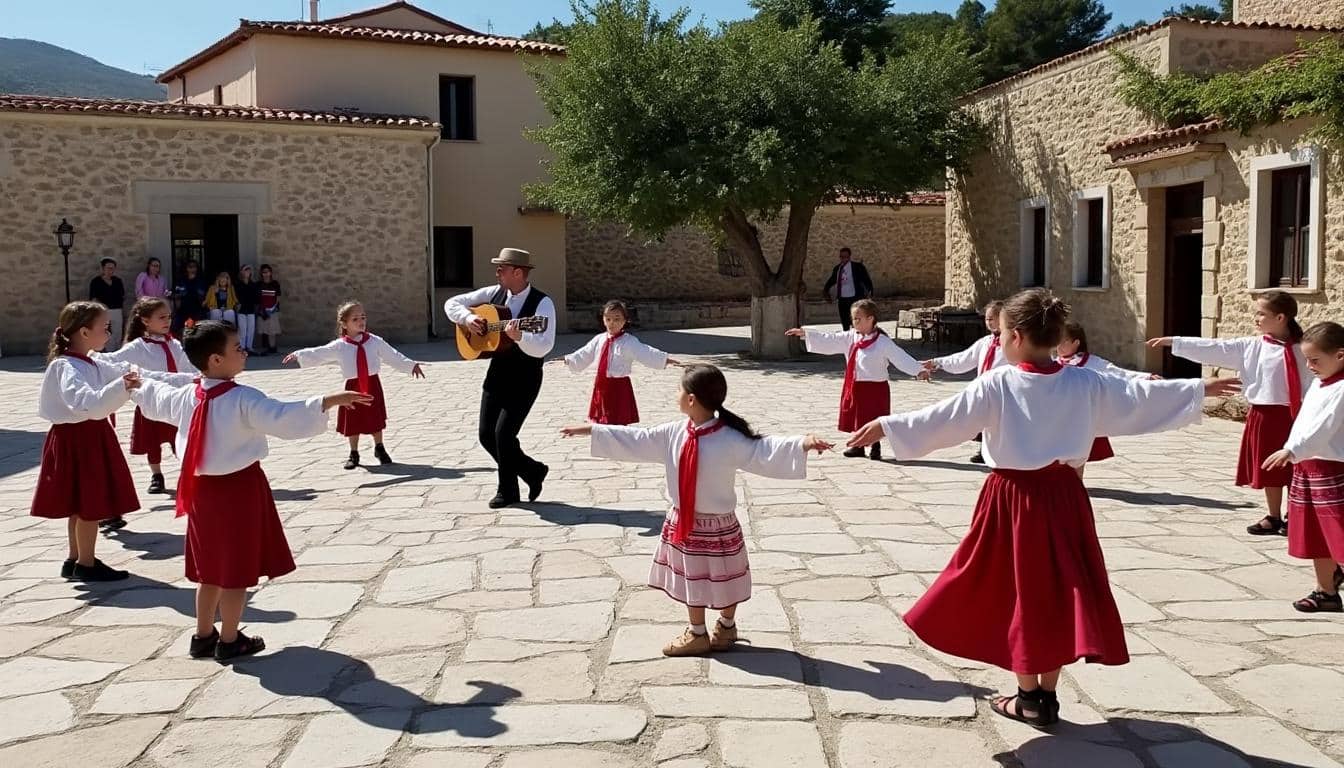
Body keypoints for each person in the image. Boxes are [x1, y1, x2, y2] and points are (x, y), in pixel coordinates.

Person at [847, 289, 1239, 727]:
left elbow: (945, 419)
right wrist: (1197, 389)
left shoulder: (999, 383)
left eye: (1002, 333)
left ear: (1014, 336)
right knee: (1056, 591)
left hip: (1011, 500)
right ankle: (1045, 696)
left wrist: (887, 426)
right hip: (1065, 498)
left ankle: (1028, 696)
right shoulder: (1085, 382)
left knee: (1017, 591)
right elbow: (1137, 398)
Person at [132, 321, 370, 661]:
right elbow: (282, 415)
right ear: (216, 360)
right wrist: (328, 400)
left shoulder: (188, 394)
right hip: (238, 490)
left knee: (210, 567)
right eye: (237, 348)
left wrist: (138, 384)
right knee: (235, 569)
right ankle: (230, 640)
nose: (244, 353)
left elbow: (157, 396)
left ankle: (203, 635)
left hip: (200, 492)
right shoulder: (243, 398)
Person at [562, 364, 831, 656]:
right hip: (685, 520)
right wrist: (593, 430)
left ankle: (725, 627)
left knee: (726, 577)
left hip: (718, 524)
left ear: (691, 399)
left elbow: (764, 448)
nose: (675, 394)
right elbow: (638, 439)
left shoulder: (730, 437)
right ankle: (698, 632)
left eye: (679, 389)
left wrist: (803, 443)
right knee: (694, 577)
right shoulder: (673, 433)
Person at [31, 301, 193, 582]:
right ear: (84, 332)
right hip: (80, 439)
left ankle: (75, 559)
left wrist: (191, 380)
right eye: (104, 328)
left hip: (85, 436)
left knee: (79, 502)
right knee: (88, 502)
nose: (109, 333)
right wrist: (122, 386)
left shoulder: (90, 362)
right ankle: (86, 562)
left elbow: (140, 374)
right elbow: (87, 403)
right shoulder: (66, 366)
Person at [1148, 290, 1310, 536]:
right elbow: (1216, 347)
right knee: (1271, 467)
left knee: (1297, 466)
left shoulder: (1305, 347)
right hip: (1265, 416)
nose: (1255, 318)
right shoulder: (1252, 346)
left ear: (1280, 318)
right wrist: (1175, 342)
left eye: (1261, 314)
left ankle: (1295, 515)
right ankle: (1274, 515)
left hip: (1298, 414)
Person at [445, 248, 557, 508]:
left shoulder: (542, 303)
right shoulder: (493, 293)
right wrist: (469, 318)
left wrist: (521, 337)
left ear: (517, 272)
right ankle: (532, 470)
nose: (497, 272)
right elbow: (451, 304)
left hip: (526, 375)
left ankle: (507, 491)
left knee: (504, 434)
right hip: (497, 372)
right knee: (486, 434)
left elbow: (544, 345)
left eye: (501, 268)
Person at [1262, 321, 1344, 613]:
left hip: (1331, 470)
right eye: (1307, 359)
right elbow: (1304, 421)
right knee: (1317, 533)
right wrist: (1293, 448)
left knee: (1338, 530)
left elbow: (1325, 426)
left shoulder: (1342, 388)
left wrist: (1293, 450)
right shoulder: (1320, 383)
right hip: (1308, 467)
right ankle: (1326, 591)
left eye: (1315, 360)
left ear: (1340, 355)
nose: (1309, 366)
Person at [284, 301, 426, 469]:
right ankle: (354, 452)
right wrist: (299, 355)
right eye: (355, 319)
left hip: (372, 384)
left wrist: (410, 365)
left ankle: (379, 448)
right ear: (344, 324)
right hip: (352, 387)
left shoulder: (374, 341)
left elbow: (392, 355)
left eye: (363, 317)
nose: (361, 321)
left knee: (375, 417)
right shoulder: (340, 345)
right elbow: (320, 352)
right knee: (353, 419)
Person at [786, 298, 921, 461]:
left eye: (858, 319)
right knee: (857, 416)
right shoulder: (850, 337)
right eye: (853, 319)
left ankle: (875, 446)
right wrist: (806, 334)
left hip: (876, 387)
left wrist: (918, 370)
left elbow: (901, 358)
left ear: (870, 319)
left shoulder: (882, 342)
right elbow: (830, 338)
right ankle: (858, 446)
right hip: (856, 385)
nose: (854, 322)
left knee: (875, 417)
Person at [97, 296, 198, 503]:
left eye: (168, 317)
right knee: (152, 443)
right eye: (161, 317)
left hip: (175, 400)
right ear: (145, 320)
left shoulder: (174, 343)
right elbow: (114, 360)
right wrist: (91, 356)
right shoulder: (138, 346)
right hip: (151, 401)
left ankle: (187, 474)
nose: (167, 321)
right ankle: (156, 475)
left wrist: (199, 377)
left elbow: (187, 366)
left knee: (181, 438)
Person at [1056, 320, 1159, 478]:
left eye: (1063, 341)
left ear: (1076, 343)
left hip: (1084, 417)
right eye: (1057, 341)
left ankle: (1077, 483)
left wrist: (1145, 377)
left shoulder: (1092, 363)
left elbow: (1117, 373)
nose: (1059, 345)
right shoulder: (1053, 363)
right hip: (1060, 417)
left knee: (1078, 455)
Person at [552, 299, 679, 425]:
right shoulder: (599, 339)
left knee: (618, 420)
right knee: (602, 420)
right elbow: (585, 353)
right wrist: (568, 359)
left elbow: (645, 352)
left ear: (625, 320)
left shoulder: (629, 341)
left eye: (617, 319)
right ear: (603, 320)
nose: (611, 323)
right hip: (601, 384)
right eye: (608, 319)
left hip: (619, 386)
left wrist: (665, 359)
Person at [919, 300, 1009, 463]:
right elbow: (963, 360)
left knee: (1002, 422)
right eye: (986, 319)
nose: (988, 322)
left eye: (992, 319)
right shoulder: (985, 343)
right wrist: (937, 362)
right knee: (985, 420)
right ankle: (984, 450)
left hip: (1004, 390)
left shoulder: (1012, 344)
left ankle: (1002, 451)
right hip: (985, 389)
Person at [821, 247, 873, 331]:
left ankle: (857, 333)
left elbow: (866, 279)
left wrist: (870, 291)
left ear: (849, 257)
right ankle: (846, 334)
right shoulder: (838, 269)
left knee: (855, 318)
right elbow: (832, 280)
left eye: (846, 256)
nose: (844, 259)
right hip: (842, 298)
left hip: (855, 297)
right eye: (842, 257)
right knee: (844, 318)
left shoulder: (857, 267)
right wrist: (825, 290)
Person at [88, 258, 125, 351]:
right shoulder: (96, 282)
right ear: (103, 268)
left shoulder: (117, 281)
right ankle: (109, 352)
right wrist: (100, 309)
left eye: (113, 268)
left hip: (117, 310)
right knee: (107, 333)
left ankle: (118, 351)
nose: (110, 271)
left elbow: (122, 295)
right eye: (108, 268)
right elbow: (93, 298)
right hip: (104, 311)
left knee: (118, 332)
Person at [172, 260, 208, 336]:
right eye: (190, 267)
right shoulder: (180, 280)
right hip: (183, 308)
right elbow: (175, 293)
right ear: (186, 268)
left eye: (194, 267)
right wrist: (177, 300)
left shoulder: (201, 281)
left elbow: (205, 296)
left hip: (198, 308)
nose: (192, 269)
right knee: (177, 325)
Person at [257, 264, 282, 355]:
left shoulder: (275, 283)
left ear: (270, 273)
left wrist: (272, 309)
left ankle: (273, 348)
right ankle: (267, 348)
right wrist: (262, 310)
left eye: (267, 272)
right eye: (264, 272)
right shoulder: (259, 284)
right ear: (261, 273)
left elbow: (278, 297)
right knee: (265, 329)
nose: (266, 274)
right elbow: (257, 298)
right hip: (262, 310)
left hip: (273, 310)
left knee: (272, 330)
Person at [235, 264, 260, 354]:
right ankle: (242, 347)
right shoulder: (237, 284)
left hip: (251, 309)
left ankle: (249, 347)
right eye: (246, 269)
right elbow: (236, 296)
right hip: (241, 309)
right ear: (241, 272)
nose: (248, 272)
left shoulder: (253, 284)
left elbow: (256, 297)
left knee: (251, 329)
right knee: (242, 330)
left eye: (249, 270)